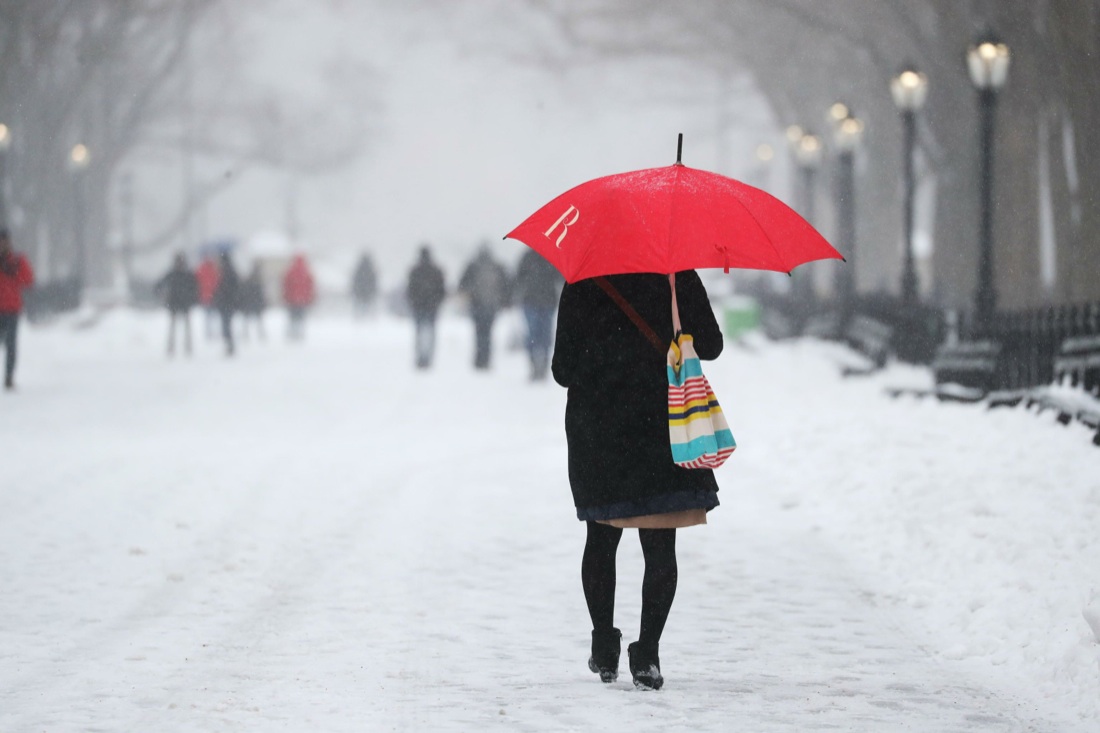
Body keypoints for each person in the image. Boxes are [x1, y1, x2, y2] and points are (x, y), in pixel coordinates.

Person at [551, 271, 723, 690]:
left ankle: (603, 643)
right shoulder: (675, 273)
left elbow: (562, 369)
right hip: (662, 421)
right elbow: (713, 346)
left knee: (601, 537)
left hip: (600, 425)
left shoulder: (584, 279)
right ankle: (647, 653)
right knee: (660, 544)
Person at [514, 249, 563, 380]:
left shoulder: (529, 257)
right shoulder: (551, 256)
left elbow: (518, 278)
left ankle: (540, 366)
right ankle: (537, 366)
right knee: (538, 334)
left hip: (540, 302)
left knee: (539, 335)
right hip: (539, 302)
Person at [458, 246, 510, 370]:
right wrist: (505, 301)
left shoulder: (473, 266)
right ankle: (486, 359)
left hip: (477, 304)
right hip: (492, 305)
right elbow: (506, 286)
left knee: (479, 333)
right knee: (488, 333)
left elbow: (462, 284)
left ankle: (479, 359)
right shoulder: (497, 267)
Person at [0, 229, 35, 391]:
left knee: (11, 345)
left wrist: (15, 272)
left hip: (12, 309)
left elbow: (28, 280)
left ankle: (8, 377)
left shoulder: (16, 261)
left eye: (4, 241)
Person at [405, 245, 446, 369]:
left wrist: (413, 302)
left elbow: (410, 290)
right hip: (431, 307)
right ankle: (428, 357)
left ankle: (420, 357)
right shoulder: (436, 271)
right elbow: (442, 290)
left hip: (419, 307)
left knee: (419, 333)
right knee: (431, 333)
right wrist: (437, 302)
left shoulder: (415, 270)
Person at [154, 252, 199, 357]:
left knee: (179, 327)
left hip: (178, 304)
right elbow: (195, 288)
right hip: (180, 304)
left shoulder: (175, 274)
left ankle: (178, 347)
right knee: (178, 327)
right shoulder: (185, 274)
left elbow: (195, 288)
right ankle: (180, 347)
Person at [212, 250, 240, 356]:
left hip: (225, 303)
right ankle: (229, 344)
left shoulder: (223, 273)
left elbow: (221, 288)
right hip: (229, 303)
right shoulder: (231, 271)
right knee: (227, 324)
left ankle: (229, 344)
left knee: (226, 325)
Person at [282, 254, 316, 341]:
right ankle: (300, 332)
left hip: (292, 299)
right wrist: (309, 297)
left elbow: (286, 285)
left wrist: (286, 296)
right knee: (301, 317)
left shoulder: (290, 271)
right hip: (303, 300)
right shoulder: (307, 272)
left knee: (293, 317)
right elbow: (310, 286)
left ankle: (293, 332)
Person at [239, 262, 267, 342]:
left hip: (249, 303)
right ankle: (260, 334)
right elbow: (260, 294)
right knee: (258, 320)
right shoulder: (258, 280)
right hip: (255, 303)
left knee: (247, 320)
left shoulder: (248, 279)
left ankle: (246, 333)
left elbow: (244, 292)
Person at [195, 255, 220, 340]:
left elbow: (197, 281)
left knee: (207, 316)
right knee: (215, 315)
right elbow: (217, 282)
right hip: (214, 296)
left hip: (205, 296)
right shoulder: (214, 270)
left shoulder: (201, 269)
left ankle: (208, 332)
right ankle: (215, 332)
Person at [350, 251, 378, 317]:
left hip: (360, 293)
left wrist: (355, 291)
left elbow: (355, 281)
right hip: (368, 293)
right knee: (368, 308)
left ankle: (360, 320)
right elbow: (374, 282)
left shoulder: (359, 269)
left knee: (360, 308)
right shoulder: (371, 269)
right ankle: (367, 320)